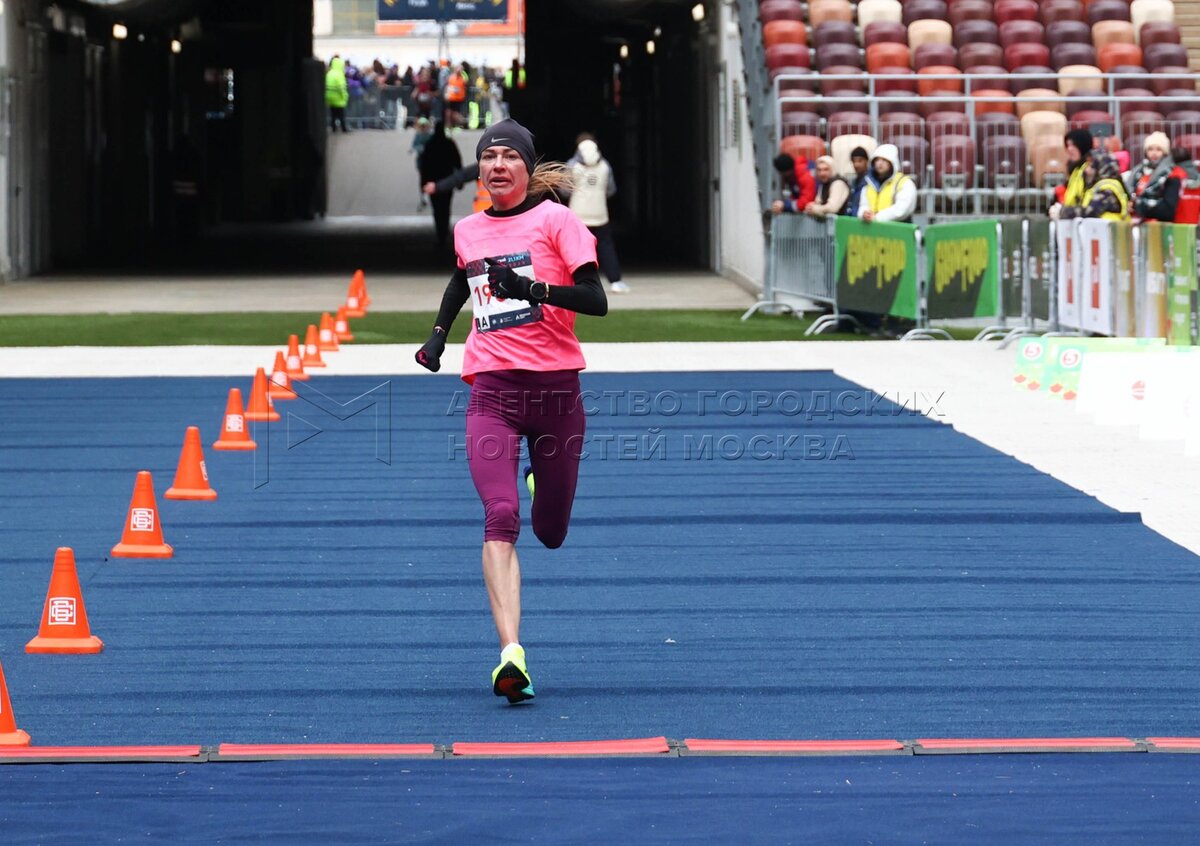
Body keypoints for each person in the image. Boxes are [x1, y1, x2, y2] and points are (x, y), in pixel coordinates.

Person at [413, 118, 608, 705]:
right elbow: (461, 280)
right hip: (492, 393)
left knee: (550, 532)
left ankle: (540, 480)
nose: (498, 165)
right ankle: (511, 655)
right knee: (500, 516)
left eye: (509, 156)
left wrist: (531, 290)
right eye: (488, 156)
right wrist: (438, 336)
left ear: (527, 167)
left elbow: (595, 300)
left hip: (556, 398)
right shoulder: (469, 229)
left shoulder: (557, 221)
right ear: (479, 169)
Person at [566, 134, 629, 293]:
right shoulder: (605, 166)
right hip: (600, 215)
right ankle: (616, 281)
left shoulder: (572, 165)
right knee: (606, 247)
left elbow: (564, 190)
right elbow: (611, 190)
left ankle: (574, 280)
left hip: (578, 216)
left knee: (576, 249)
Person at [418, 121, 463, 249]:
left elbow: (424, 166)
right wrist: (459, 180)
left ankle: (440, 233)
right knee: (446, 207)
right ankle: (444, 232)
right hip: (447, 181)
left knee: (437, 209)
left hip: (433, 181)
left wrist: (422, 184)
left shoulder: (430, 144)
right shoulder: (449, 143)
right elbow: (457, 162)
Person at [1127, 132, 1183, 222]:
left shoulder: (1172, 174)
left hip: (1160, 225)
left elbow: (1168, 210)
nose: (1154, 153)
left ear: (1165, 152)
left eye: (1158, 149)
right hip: (1136, 222)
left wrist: (1138, 205)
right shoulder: (1139, 171)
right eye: (1150, 149)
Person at [1061, 149, 1130, 221]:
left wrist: (1063, 212)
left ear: (1100, 167)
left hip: (1107, 228)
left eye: (1090, 165)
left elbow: (1090, 212)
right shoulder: (1099, 186)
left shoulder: (1107, 189)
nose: (1086, 170)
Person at [858, 144, 916, 223]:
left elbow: (901, 209)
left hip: (898, 228)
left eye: (884, 160)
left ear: (893, 162)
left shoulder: (904, 183)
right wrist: (864, 213)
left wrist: (877, 217)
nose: (880, 163)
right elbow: (863, 205)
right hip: (873, 228)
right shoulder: (869, 183)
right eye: (877, 160)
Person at [1050, 128, 1093, 220]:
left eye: (1073, 145)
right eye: (1068, 145)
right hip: (1072, 220)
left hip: (1085, 220)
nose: (1069, 149)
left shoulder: (1090, 170)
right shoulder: (1075, 170)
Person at [410, 117, 434, 210]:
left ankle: (430, 196)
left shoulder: (430, 136)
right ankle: (423, 197)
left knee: (430, 179)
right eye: (422, 126)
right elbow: (414, 146)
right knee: (423, 180)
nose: (423, 127)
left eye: (425, 126)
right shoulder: (418, 136)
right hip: (422, 162)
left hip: (430, 162)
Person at [843, 147, 871, 217]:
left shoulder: (871, 181)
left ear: (866, 161)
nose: (856, 164)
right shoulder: (853, 181)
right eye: (854, 161)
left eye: (860, 161)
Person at [325, 56, 349, 133]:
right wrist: (345, 96)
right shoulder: (339, 74)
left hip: (329, 97)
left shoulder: (329, 73)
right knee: (341, 115)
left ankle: (333, 128)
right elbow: (341, 87)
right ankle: (344, 128)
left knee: (333, 114)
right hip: (338, 98)